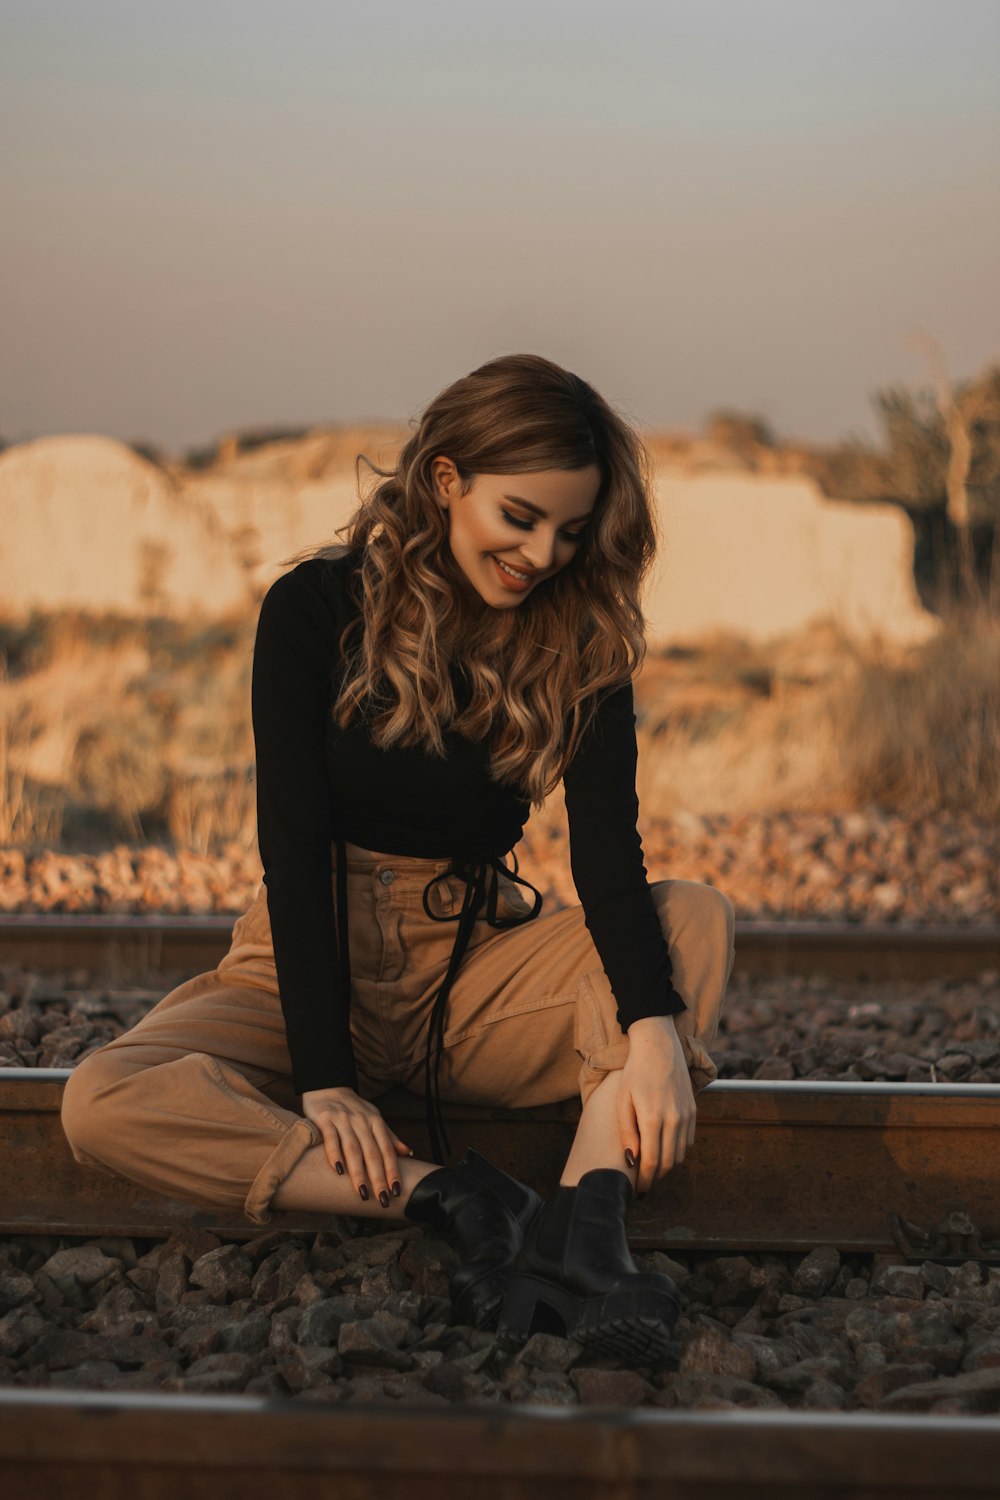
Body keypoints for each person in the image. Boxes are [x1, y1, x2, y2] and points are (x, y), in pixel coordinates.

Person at [61, 353, 735, 1363]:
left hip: (470, 974)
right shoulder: (313, 611)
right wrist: (326, 1077)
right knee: (99, 1100)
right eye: (520, 516)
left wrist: (650, 1032)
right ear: (446, 479)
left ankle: (583, 1231)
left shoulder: (581, 638)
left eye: (568, 529)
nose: (542, 552)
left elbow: (607, 859)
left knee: (693, 922)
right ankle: (461, 1202)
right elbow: (290, 846)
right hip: (302, 957)